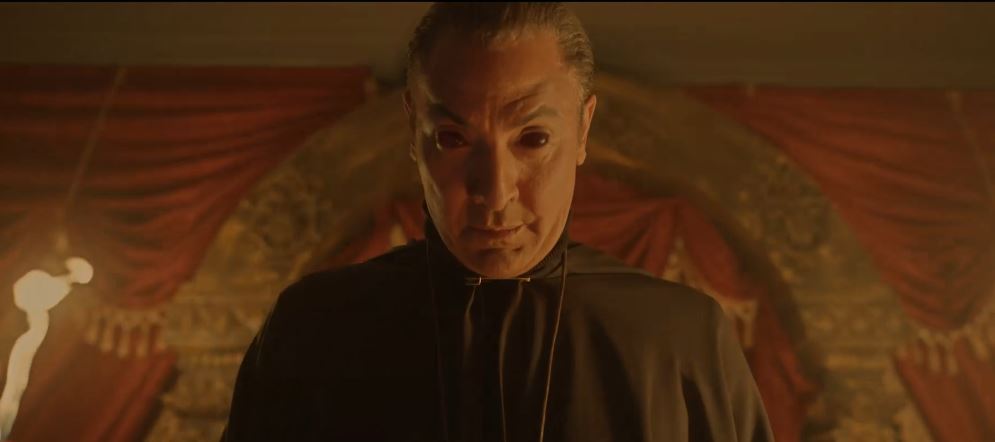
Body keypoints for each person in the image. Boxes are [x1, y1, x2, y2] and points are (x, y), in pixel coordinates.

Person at [223, 3, 773, 441]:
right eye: (453, 139)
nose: (495, 190)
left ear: (582, 130)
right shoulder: (313, 333)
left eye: (533, 138)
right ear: (413, 129)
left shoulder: (683, 342)